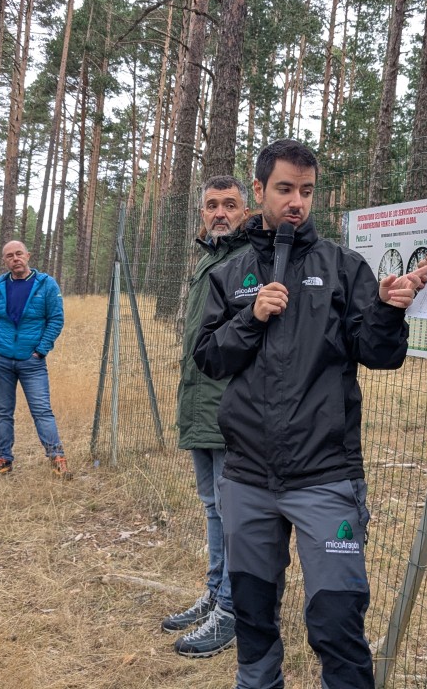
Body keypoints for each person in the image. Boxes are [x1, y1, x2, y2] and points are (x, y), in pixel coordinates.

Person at [193, 139, 427, 688]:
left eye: (306, 190)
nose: (297, 201)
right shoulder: (230, 276)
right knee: (253, 619)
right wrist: (250, 318)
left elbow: (379, 354)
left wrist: (390, 311)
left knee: (336, 623)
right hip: (247, 477)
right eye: (284, 189)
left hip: (326, 478)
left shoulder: (344, 267)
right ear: (259, 192)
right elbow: (208, 357)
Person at [161, 176, 251, 658]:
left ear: (246, 209)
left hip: (231, 408)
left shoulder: (248, 259)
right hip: (199, 404)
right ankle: (215, 592)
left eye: (230, 205)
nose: (220, 213)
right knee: (213, 507)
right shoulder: (207, 260)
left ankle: (234, 610)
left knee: (234, 511)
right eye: (212, 206)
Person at [0, 240, 68, 477]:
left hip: (32, 361)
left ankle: (57, 457)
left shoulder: (46, 284)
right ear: (4, 261)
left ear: (28, 256)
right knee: (3, 411)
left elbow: (56, 319)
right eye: (9, 256)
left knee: (41, 410)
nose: (15, 258)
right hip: (2, 360)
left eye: (19, 254)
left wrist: (41, 349)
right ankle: (3, 459)